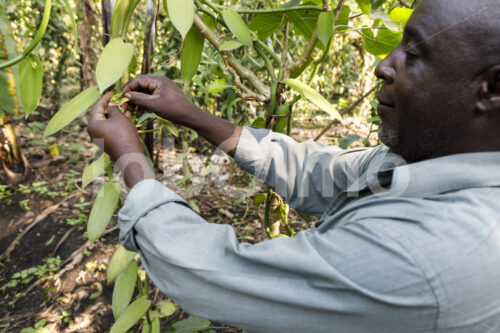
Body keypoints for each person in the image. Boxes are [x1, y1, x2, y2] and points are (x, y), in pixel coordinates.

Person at [87, 0, 500, 331]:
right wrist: (195, 116)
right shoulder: (434, 154)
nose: (382, 65)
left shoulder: (429, 255)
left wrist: (130, 159)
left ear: (491, 89)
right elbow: (321, 171)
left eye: (413, 52)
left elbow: (220, 276)